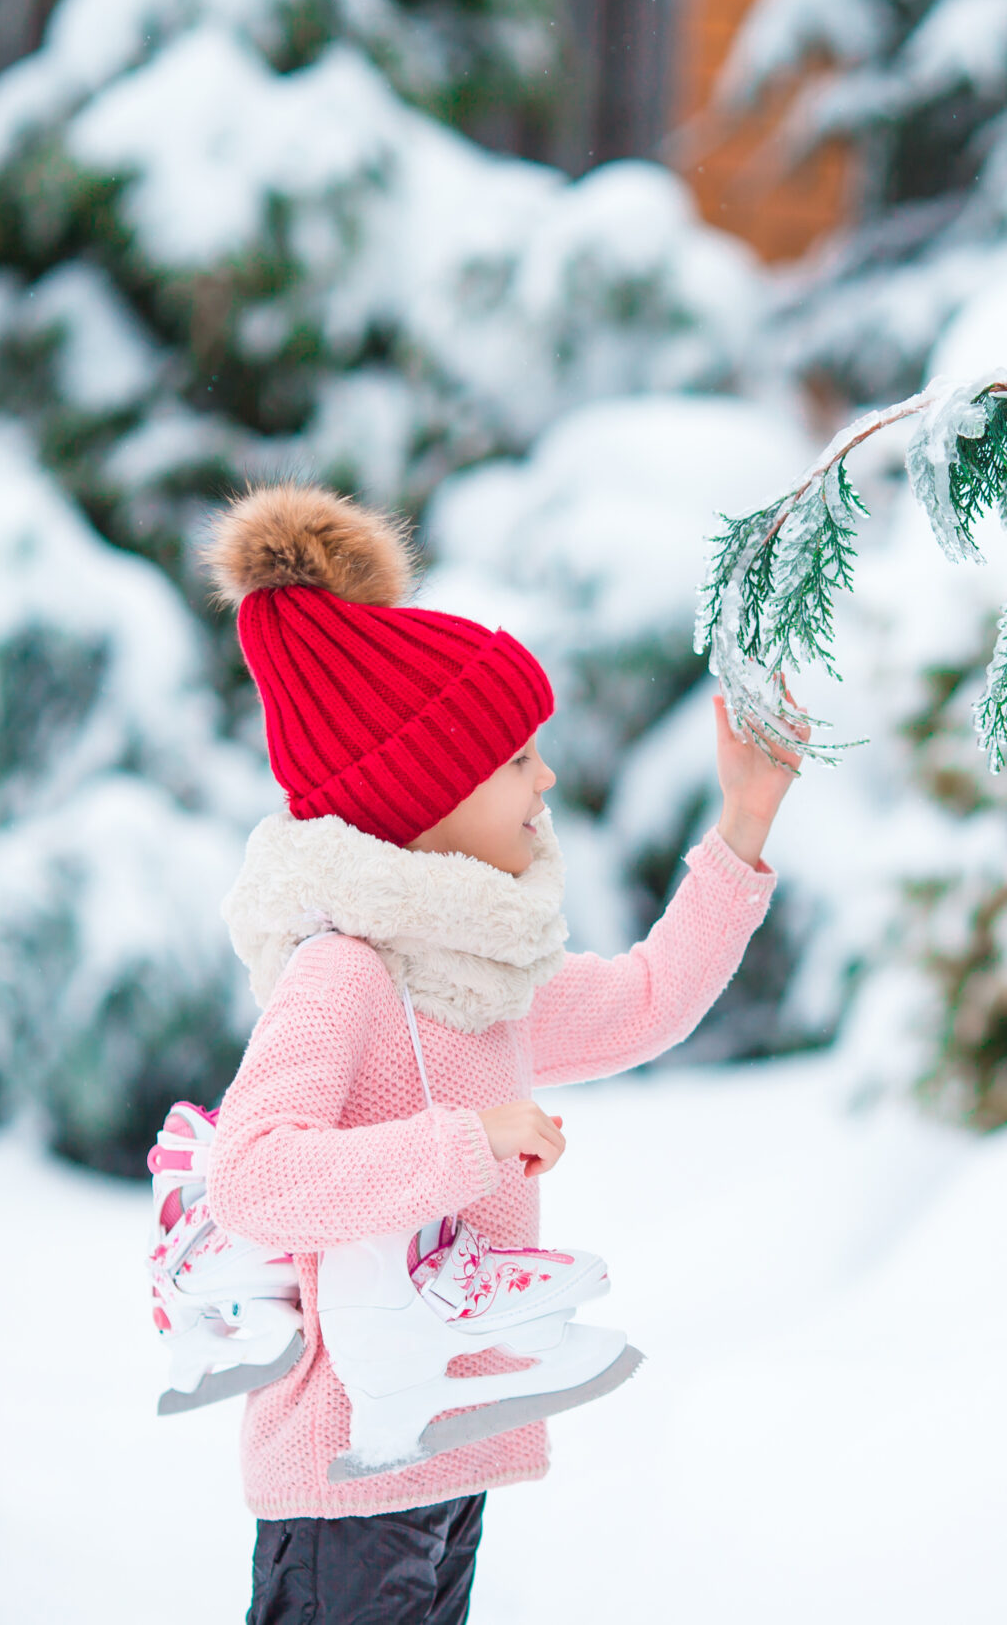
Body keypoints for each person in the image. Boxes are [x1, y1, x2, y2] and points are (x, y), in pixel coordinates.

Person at [199, 482, 800, 1624]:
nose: (547, 780)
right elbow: (254, 1176)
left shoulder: (472, 974)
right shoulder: (348, 975)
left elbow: (645, 1003)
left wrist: (745, 827)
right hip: (347, 1470)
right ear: (424, 792)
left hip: (443, 1443)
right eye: (519, 757)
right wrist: (464, 1145)